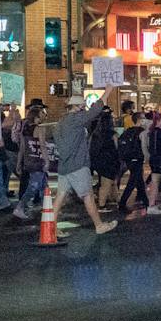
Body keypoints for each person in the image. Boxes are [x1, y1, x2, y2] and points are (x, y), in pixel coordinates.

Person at [52, 94, 117, 234]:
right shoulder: (75, 119)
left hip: (65, 165)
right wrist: (107, 92)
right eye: (82, 105)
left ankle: (51, 228)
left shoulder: (61, 121)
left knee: (60, 196)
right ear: (78, 106)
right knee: (88, 196)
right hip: (77, 164)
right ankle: (99, 225)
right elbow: (94, 112)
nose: (84, 108)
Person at [12, 102, 49, 220]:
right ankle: (20, 207)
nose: (44, 115)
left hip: (28, 161)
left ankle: (46, 206)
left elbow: (22, 149)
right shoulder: (40, 129)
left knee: (43, 185)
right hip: (38, 161)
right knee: (34, 186)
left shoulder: (25, 129)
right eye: (42, 113)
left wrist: (19, 163)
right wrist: (47, 161)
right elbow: (42, 146)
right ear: (37, 116)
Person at [90, 105, 121, 212]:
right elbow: (117, 148)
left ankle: (115, 199)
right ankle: (102, 205)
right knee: (106, 184)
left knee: (108, 182)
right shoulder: (112, 134)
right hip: (110, 161)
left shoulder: (96, 134)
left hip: (99, 160)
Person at [117, 113, 149, 213]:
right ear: (140, 120)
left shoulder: (128, 131)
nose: (145, 120)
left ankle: (145, 201)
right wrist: (147, 157)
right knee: (132, 182)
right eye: (144, 118)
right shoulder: (142, 132)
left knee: (138, 180)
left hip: (129, 159)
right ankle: (122, 204)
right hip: (137, 158)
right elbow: (144, 146)